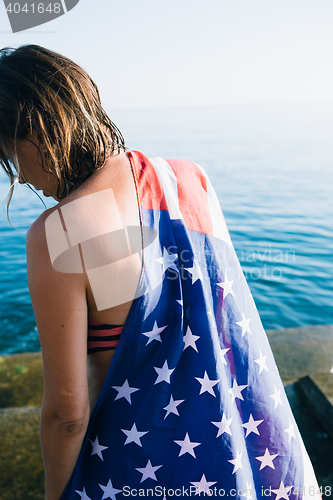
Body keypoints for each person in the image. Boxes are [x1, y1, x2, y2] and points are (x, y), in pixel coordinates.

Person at [0, 45, 320, 500]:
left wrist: (56, 494)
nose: (21, 177)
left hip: (136, 466)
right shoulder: (191, 178)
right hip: (231, 451)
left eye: (10, 158)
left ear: (33, 132)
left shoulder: (62, 233)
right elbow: (215, 317)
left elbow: (67, 415)